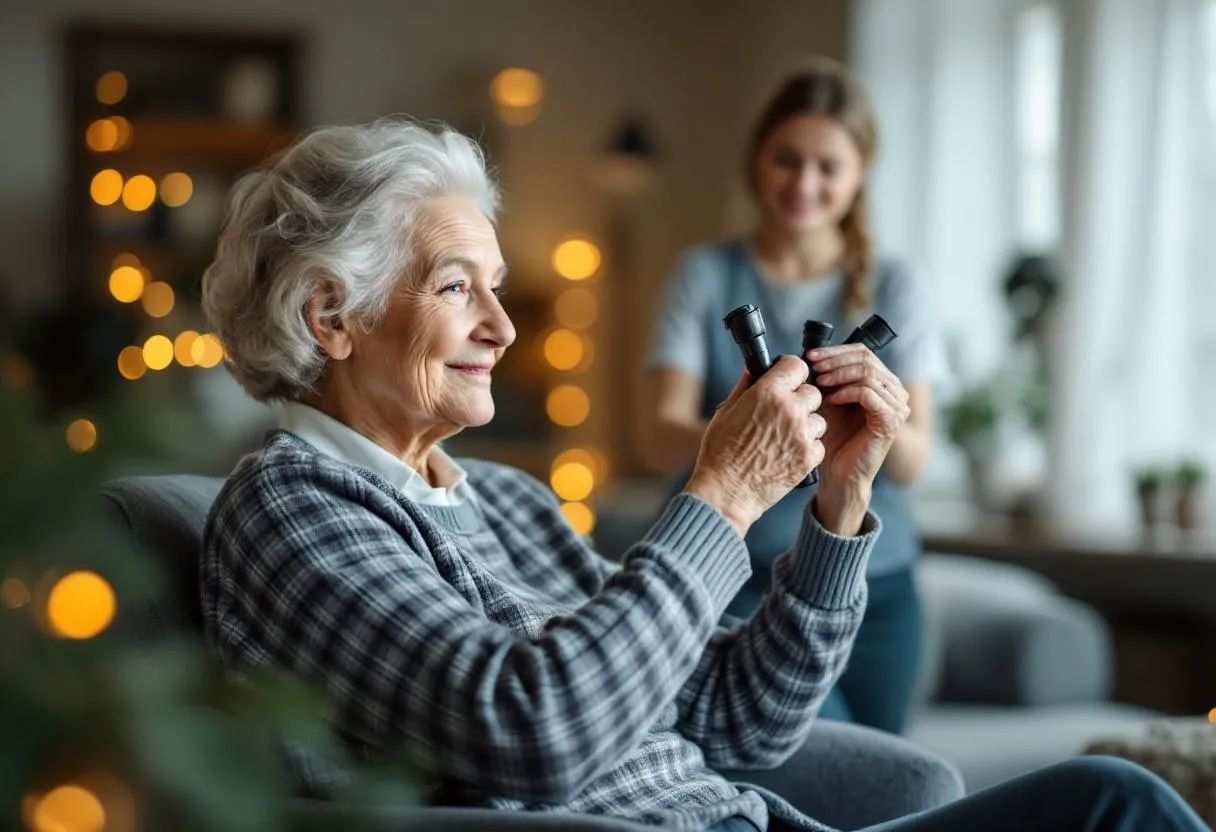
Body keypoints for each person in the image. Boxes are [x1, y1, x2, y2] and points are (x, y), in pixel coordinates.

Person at [199, 118, 1204, 832]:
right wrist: (718, 495)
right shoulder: (290, 504)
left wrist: (835, 504)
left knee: (1120, 800)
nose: (503, 329)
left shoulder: (503, 500)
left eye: (495, 290)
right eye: (459, 287)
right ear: (331, 316)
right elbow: (528, 730)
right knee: (1114, 806)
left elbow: (740, 714)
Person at [644, 58, 945, 734]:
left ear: (859, 173)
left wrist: (875, 425)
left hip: (878, 586)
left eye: (827, 167)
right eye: (787, 159)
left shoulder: (898, 285)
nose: (803, 184)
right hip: (739, 583)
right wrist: (762, 431)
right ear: (757, 159)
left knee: (885, 785)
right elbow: (658, 437)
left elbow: (915, 460)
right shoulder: (705, 274)